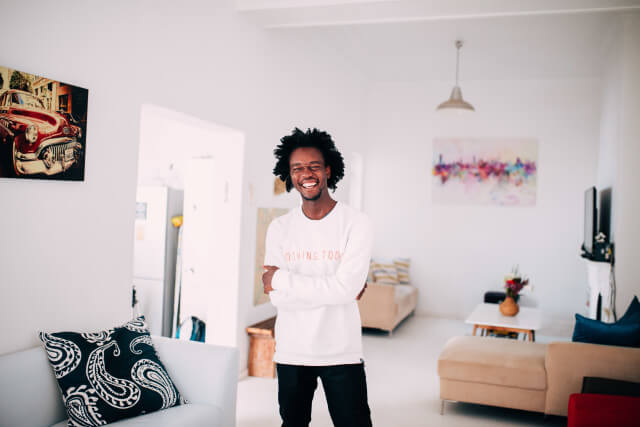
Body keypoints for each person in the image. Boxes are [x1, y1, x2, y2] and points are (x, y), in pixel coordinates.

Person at [262, 127, 373, 427]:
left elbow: (344, 290)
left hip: (341, 350)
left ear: (328, 170)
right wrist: (335, 290)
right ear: (289, 175)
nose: (306, 174)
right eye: (297, 168)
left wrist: (281, 279)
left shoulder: (356, 223)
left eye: (313, 166)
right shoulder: (279, 228)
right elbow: (277, 299)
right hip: (292, 350)